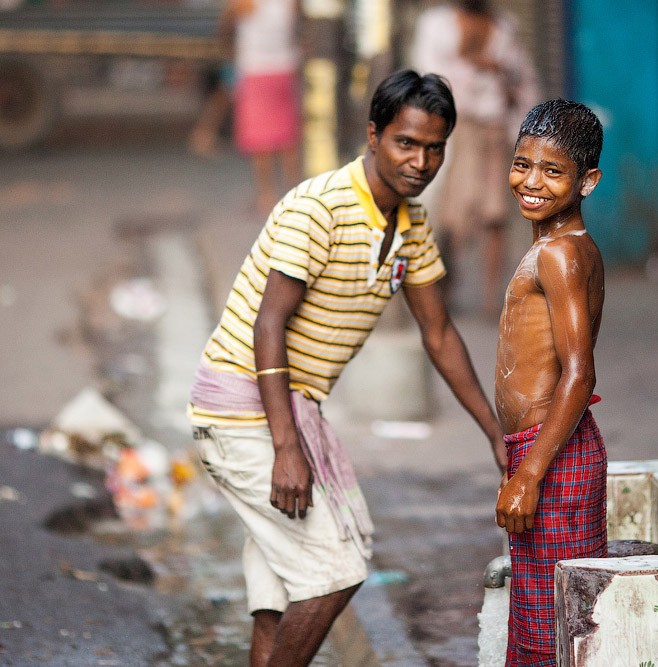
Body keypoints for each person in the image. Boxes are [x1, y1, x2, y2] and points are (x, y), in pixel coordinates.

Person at [188, 70, 506, 667]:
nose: (421, 161)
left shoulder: (411, 224)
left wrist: (494, 434)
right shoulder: (321, 206)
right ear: (373, 135)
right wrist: (286, 447)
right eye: (405, 143)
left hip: (291, 410)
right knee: (335, 574)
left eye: (435, 147)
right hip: (241, 411)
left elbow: (439, 333)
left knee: (281, 596)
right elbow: (268, 324)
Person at [494, 99, 606, 667]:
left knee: (553, 633)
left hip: (553, 458)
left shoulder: (561, 254)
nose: (531, 182)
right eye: (522, 164)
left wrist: (530, 473)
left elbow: (579, 372)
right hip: (541, 451)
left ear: (588, 181)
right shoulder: (552, 245)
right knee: (542, 618)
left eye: (552, 171)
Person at [411, 0, 539, 318]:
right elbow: (429, 76)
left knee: (495, 215)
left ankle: (490, 296)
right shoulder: (437, 25)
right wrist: (477, 64)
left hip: (496, 132)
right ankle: (445, 282)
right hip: (459, 131)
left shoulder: (505, 28)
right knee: (457, 214)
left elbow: (524, 82)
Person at [226, 0, 303, 214]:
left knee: (260, 140)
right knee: (287, 137)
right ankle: (294, 192)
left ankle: (266, 195)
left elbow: (226, 24)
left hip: (256, 68)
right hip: (285, 67)